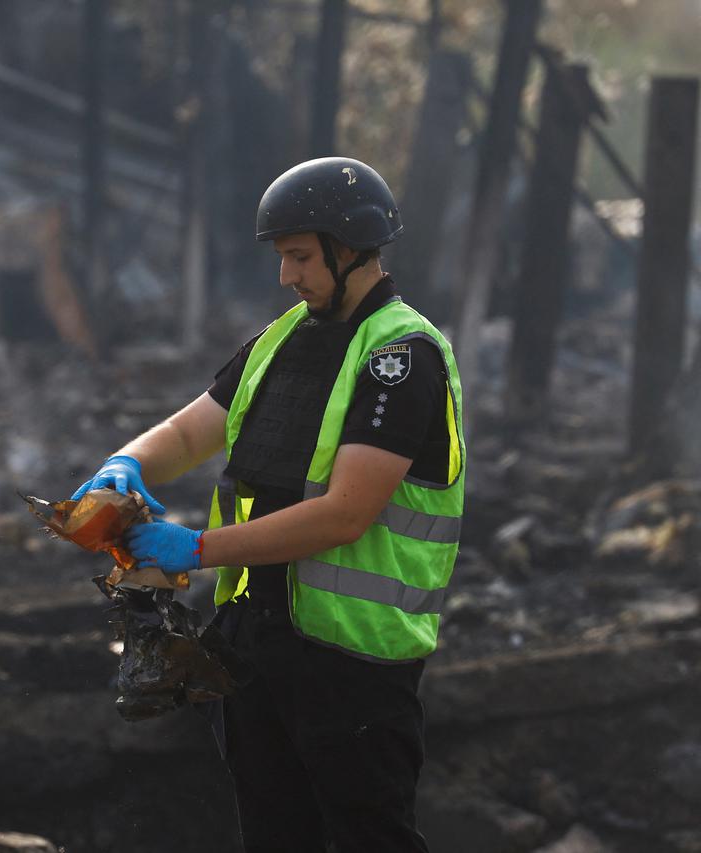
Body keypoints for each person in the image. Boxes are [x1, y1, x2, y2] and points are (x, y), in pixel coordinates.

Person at [71, 157, 464, 852]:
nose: (287, 275)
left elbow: (346, 512)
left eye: (300, 256)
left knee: (369, 836)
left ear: (351, 250)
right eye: (283, 257)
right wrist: (126, 462)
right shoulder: (277, 342)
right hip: (253, 645)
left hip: (352, 663)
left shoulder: (401, 357)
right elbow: (191, 430)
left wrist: (196, 548)